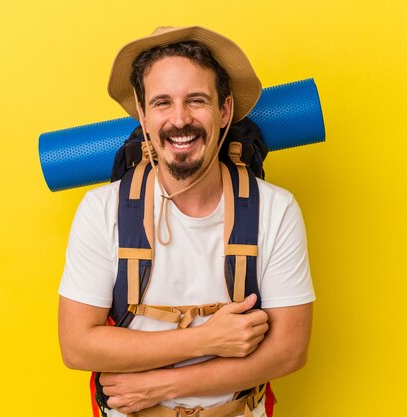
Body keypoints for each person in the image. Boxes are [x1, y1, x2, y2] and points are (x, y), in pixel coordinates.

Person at [58, 26, 315, 417]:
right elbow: (77, 347)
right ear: (143, 115)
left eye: (196, 100)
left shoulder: (275, 210)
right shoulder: (101, 211)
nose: (180, 120)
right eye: (162, 103)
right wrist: (207, 338)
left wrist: (162, 383)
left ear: (224, 110)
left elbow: (289, 351)